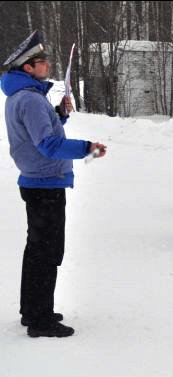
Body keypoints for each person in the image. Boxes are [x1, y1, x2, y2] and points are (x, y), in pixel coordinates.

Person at [1, 30, 107, 338]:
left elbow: (39, 133)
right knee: (46, 253)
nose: (47, 65)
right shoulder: (31, 99)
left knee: (37, 249)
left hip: (39, 182)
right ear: (27, 67)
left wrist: (59, 114)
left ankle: (32, 310)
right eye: (42, 61)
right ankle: (40, 320)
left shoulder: (24, 96)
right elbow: (47, 144)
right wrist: (87, 147)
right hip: (44, 183)